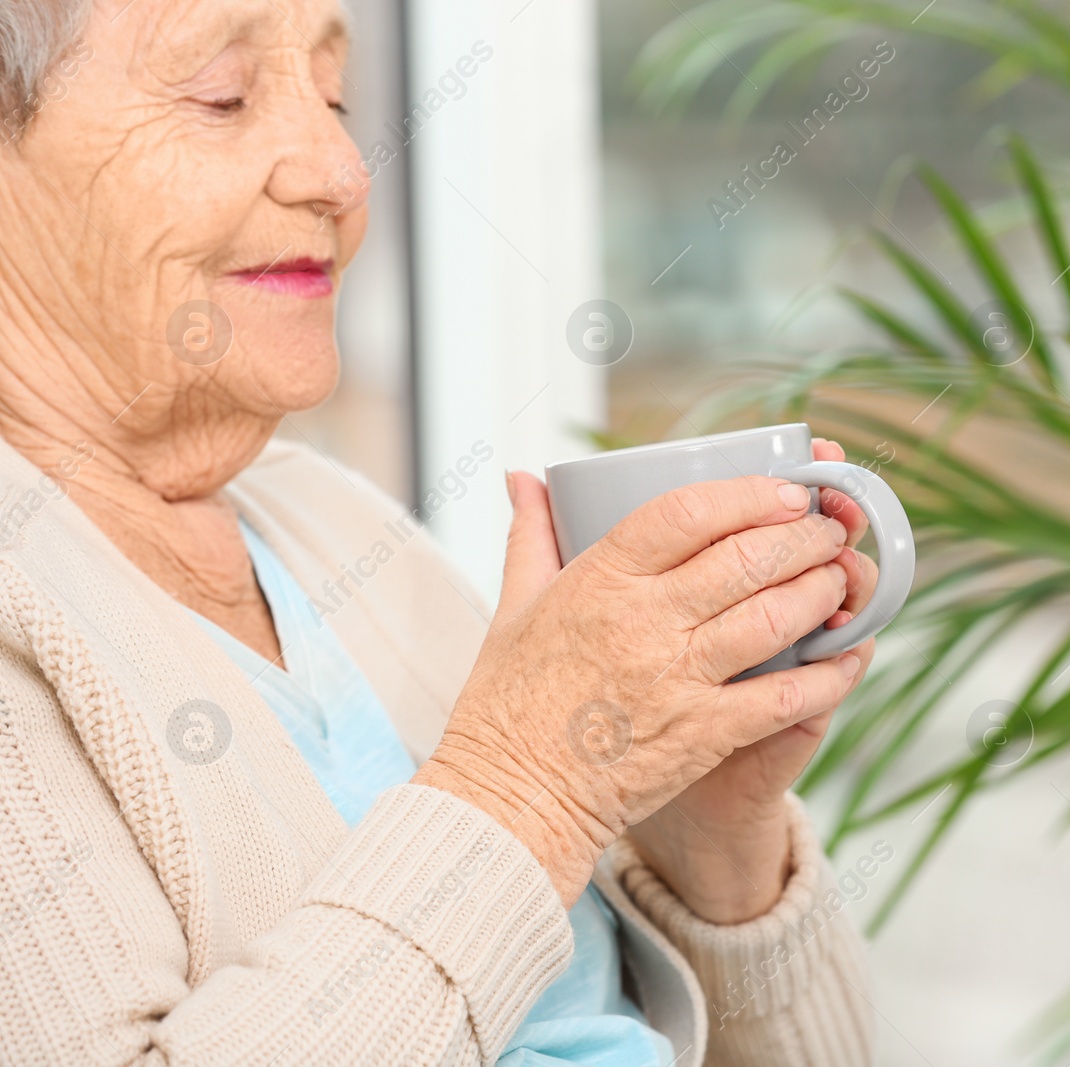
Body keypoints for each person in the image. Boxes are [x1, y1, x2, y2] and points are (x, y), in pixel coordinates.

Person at [0, 1, 878, 1063]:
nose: (339, 171)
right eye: (222, 96)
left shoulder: (329, 523)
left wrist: (708, 841)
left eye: (336, 99)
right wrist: (531, 782)